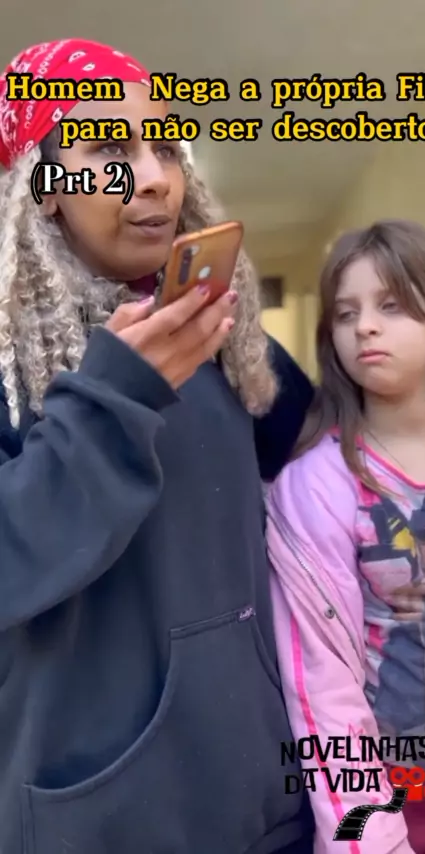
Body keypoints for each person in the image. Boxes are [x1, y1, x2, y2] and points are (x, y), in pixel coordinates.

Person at [0, 39, 316, 854]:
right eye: (110, 152)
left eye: (166, 148)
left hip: (265, 812)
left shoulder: (221, 341)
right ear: (44, 188)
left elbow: (324, 467)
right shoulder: (9, 363)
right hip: (97, 825)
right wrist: (116, 396)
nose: (154, 178)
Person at [266, 219, 425, 854]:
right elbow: (321, 688)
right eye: (346, 313)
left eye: (391, 305)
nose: (364, 327)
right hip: (395, 793)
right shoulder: (315, 485)